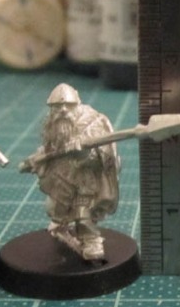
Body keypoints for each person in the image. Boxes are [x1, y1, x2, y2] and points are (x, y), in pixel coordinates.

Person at [22, 83, 120, 261]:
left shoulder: (93, 123)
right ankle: (60, 226)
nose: (63, 110)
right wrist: (36, 160)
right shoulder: (52, 124)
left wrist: (83, 153)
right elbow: (49, 149)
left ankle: (91, 240)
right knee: (56, 210)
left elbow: (103, 157)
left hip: (84, 179)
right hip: (60, 177)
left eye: (68, 105)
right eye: (57, 107)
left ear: (77, 104)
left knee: (83, 213)